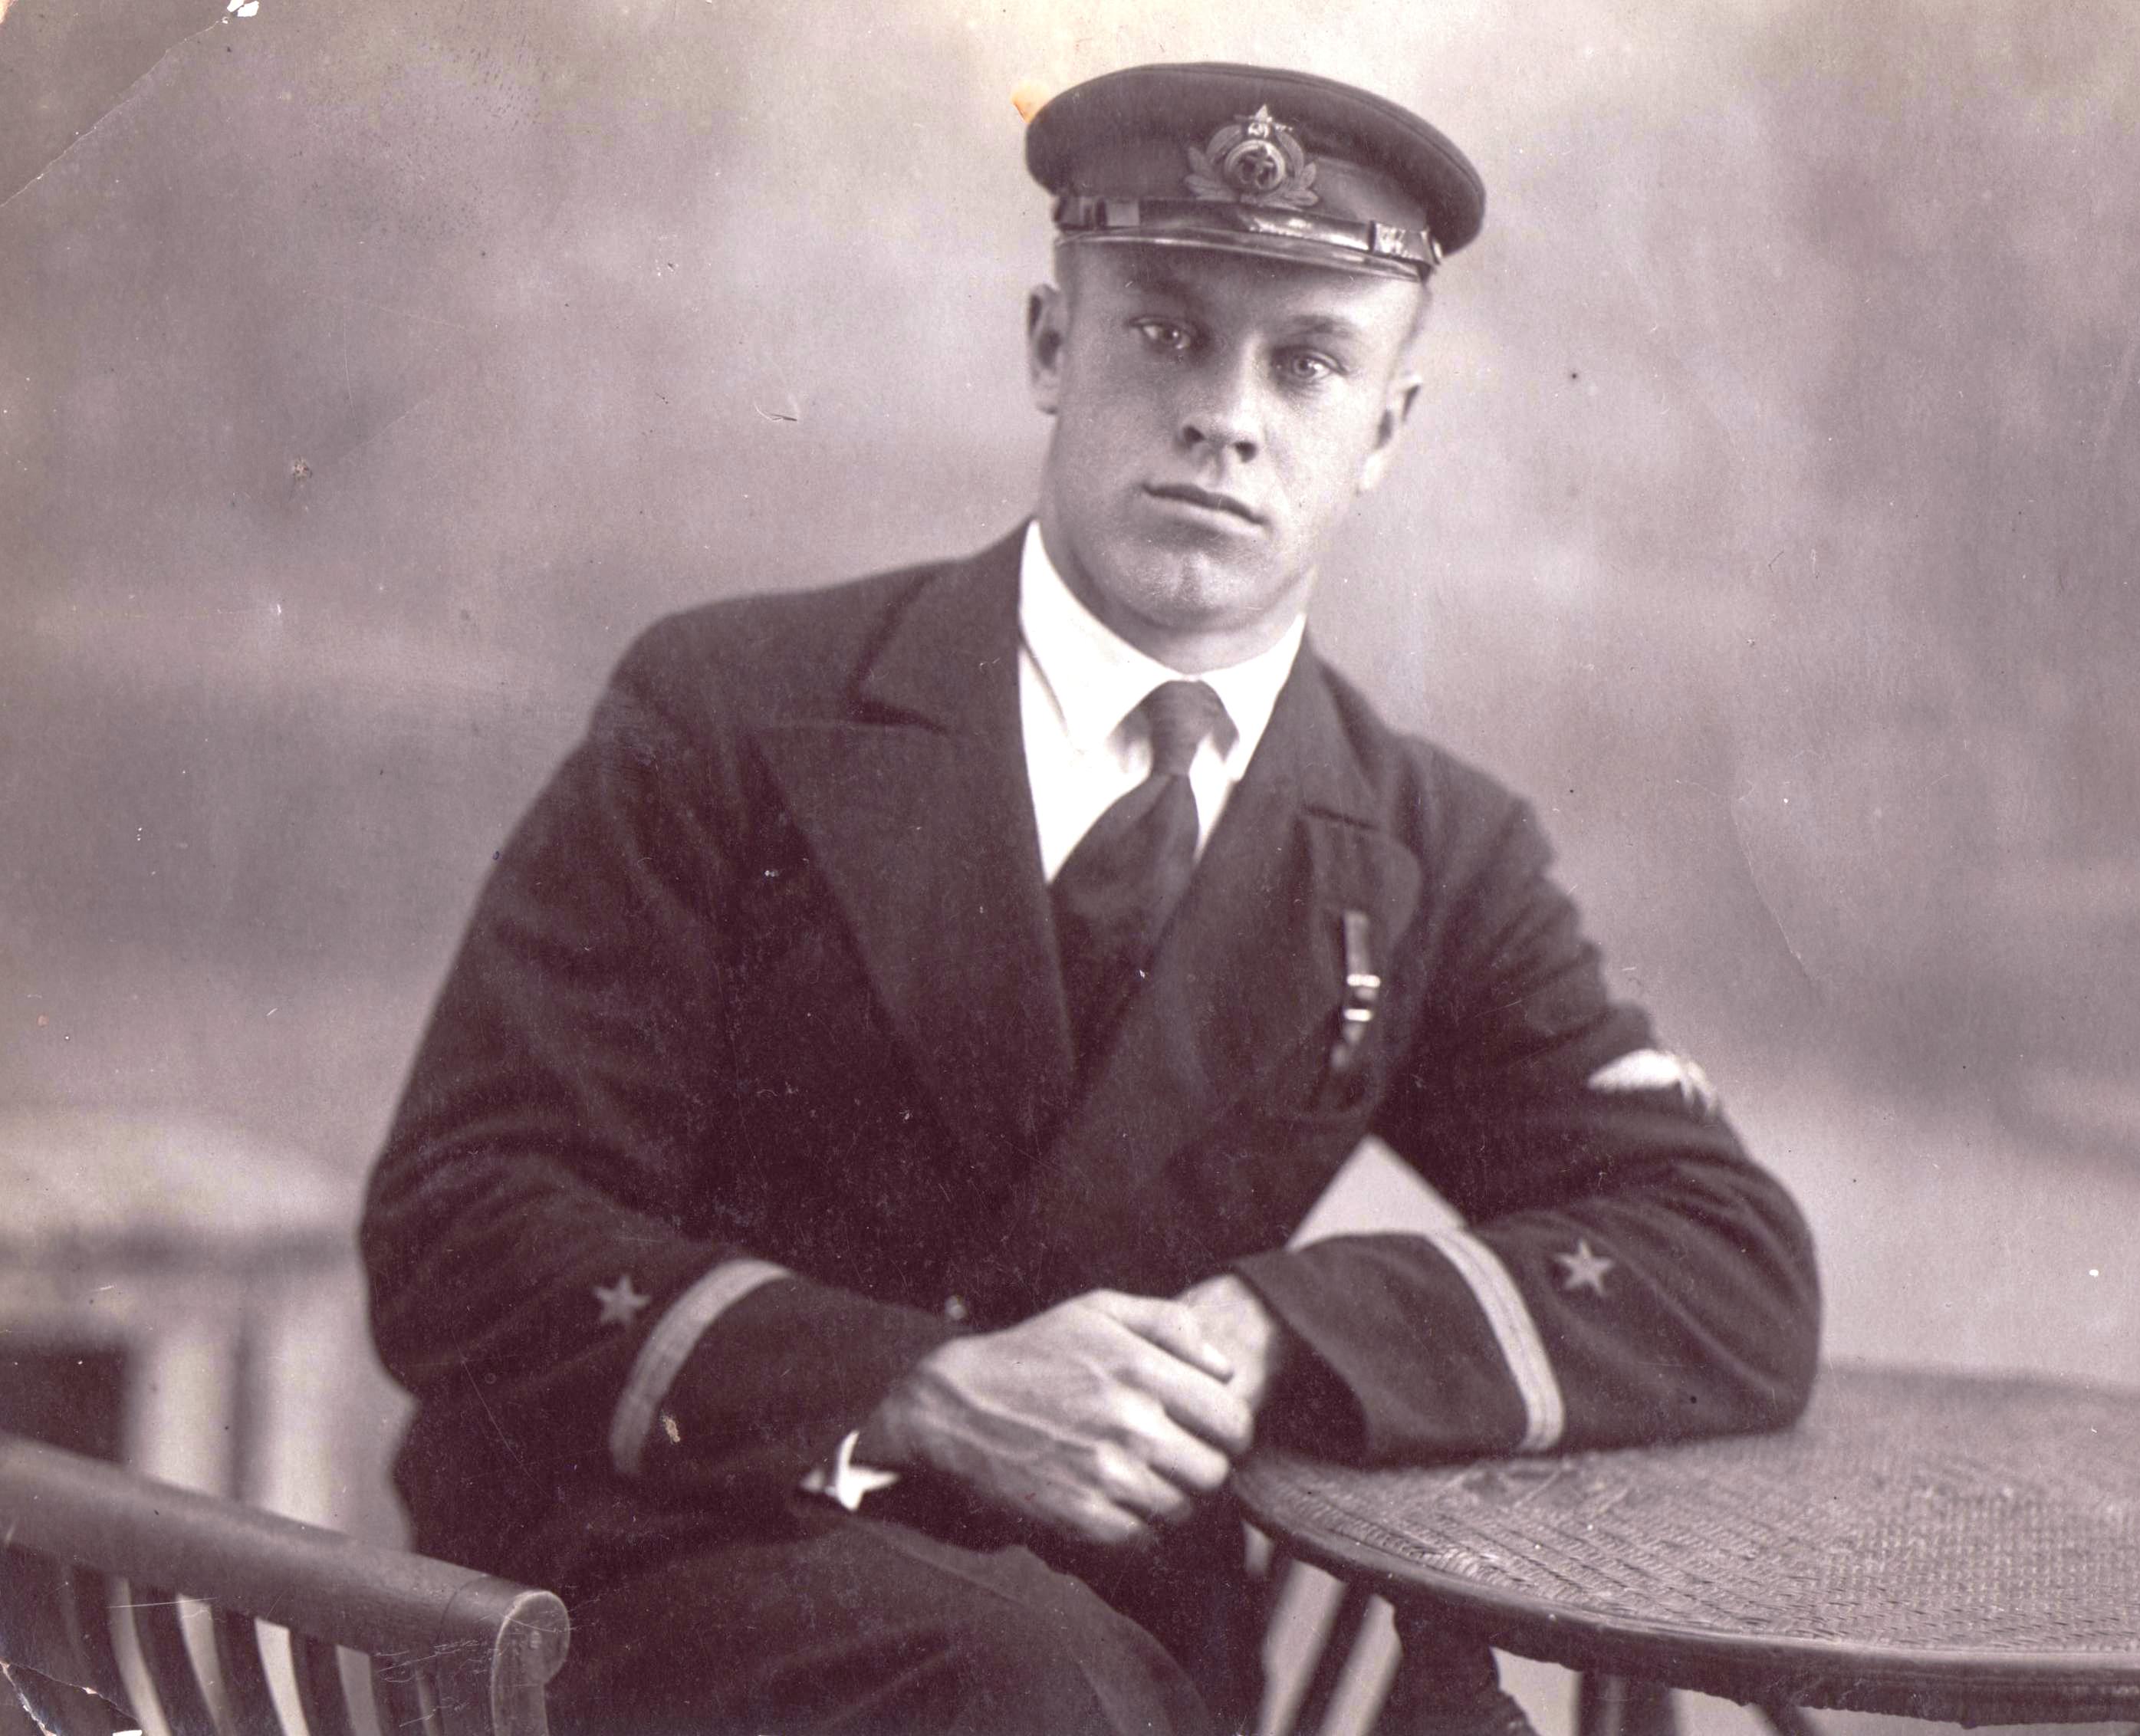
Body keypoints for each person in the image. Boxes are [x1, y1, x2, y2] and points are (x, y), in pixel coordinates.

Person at [360, 60, 1820, 1736]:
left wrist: (1273, 1331)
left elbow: (1727, 1258)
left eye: (1308, 362)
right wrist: (919, 1389)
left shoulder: (1429, 847)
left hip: (1120, 1653)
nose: (1225, 417)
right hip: (661, 1586)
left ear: (1383, 433)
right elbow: (460, 1221)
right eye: (1166, 332)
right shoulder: (735, 711)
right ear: (1053, 347)